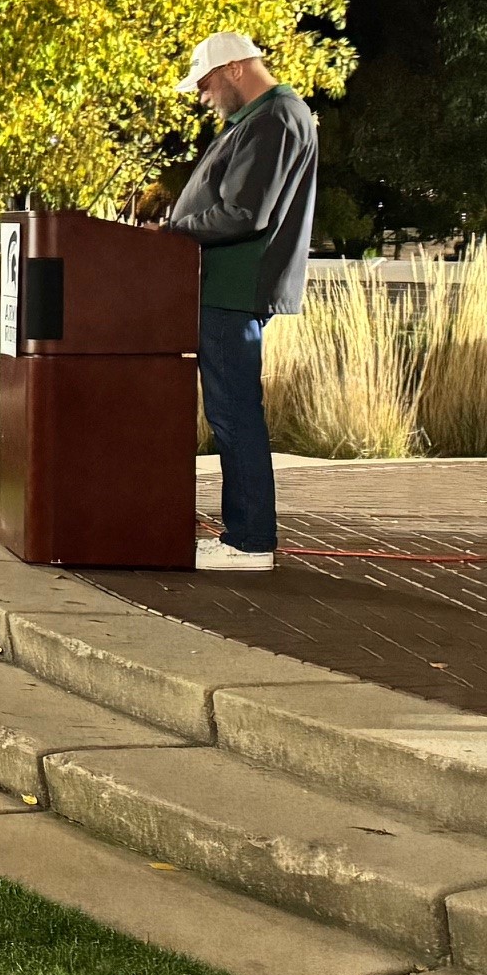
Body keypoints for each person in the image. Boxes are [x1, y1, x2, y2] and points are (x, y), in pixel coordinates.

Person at [168, 30, 321, 573]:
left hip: (233, 291)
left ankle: (250, 542)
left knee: (235, 416)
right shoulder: (261, 119)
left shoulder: (275, 118)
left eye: (206, 84)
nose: (204, 97)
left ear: (234, 68)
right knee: (232, 414)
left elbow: (244, 212)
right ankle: (245, 536)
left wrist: (170, 234)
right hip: (224, 289)